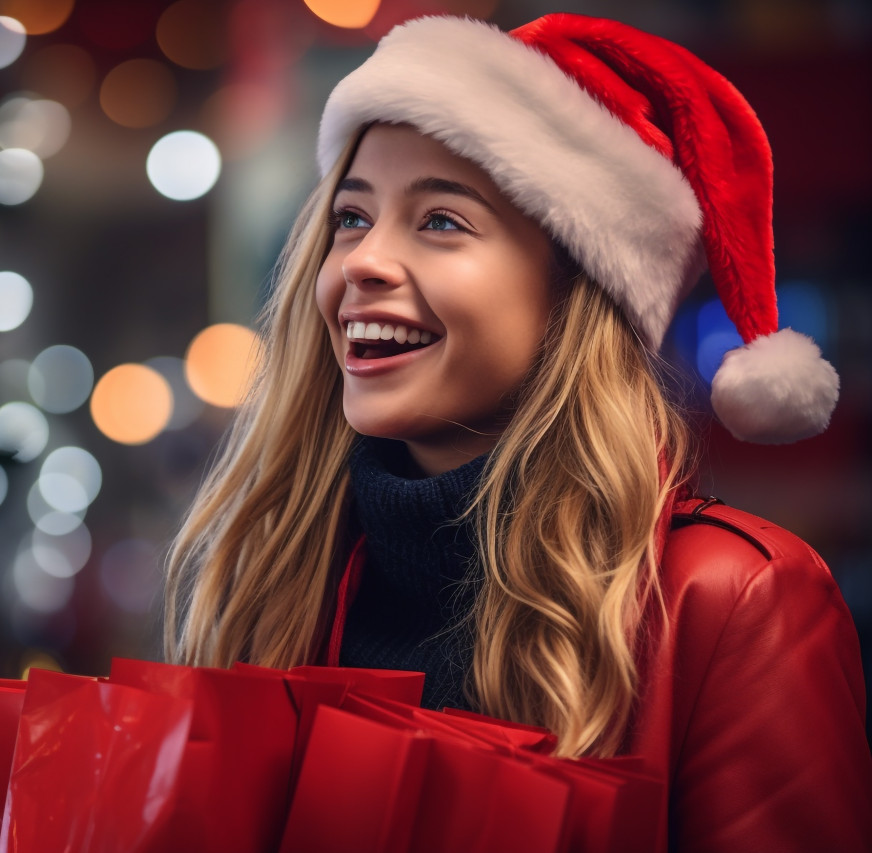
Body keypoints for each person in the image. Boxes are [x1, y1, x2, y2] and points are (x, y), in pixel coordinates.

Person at [163, 13, 871, 850]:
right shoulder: (267, 582)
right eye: (352, 217)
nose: (359, 262)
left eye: (441, 221)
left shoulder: (730, 601)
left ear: (576, 291)